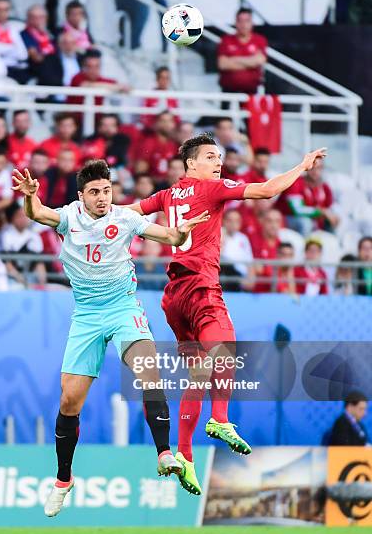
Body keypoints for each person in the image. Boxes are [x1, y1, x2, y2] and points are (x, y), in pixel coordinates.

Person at [130, 132, 326, 495]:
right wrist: (301, 166)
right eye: (209, 156)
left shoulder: (167, 195)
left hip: (173, 298)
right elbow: (267, 191)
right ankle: (219, 419)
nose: (217, 162)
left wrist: (86, 217)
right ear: (191, 163)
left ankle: (184, 454)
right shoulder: (213, 189)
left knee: (200, 372)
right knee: (227, 349)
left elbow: (128, 214)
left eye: (218, 157)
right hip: (202, 288)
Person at [11, 159, 208, 517]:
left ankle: (164, 453)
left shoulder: (126, 218)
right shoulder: (70, 217)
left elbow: (170, 237)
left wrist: (182, 232)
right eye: (94, 192)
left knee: (149, 371)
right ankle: (63, 479)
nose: (102, 198)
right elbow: (38, 213)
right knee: (70, 401)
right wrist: (30, 198)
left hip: (122, 308)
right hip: (85, 316)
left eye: (106, 190)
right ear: (81, 196)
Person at [277, 157, 339, 235]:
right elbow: (297, 210)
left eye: (319, 168)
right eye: (312, 167)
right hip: (285, 219)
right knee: (306, 223)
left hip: (313, 221)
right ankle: (305, 247)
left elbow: (329, 209)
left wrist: (334, 217)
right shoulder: (296, 182)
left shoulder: (324, 187)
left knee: (332, 221)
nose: (315, 171)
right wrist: (321, 212)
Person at [68, 50, 128, 126]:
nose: (93, 70)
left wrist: (122, 87)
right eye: (89, 66)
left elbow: (126, 87)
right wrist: (115, 87)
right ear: (83, 67)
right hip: (75, 122)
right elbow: (87, 85)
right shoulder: (77, 78)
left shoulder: (103, 80)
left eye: (97, 66)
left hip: (97, 121)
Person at [217, 7, 268, 96]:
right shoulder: (226, 40)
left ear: (252, 23)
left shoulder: (259, 40)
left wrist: (234, 59)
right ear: (236, 22)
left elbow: (260, 61)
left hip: (251, 90)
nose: (243, 24)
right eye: (240, 21)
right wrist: (250, 61)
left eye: (247, 21)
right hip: (228, 90)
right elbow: (223, 64)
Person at [0, 201, 46, 287]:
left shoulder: (34, 236)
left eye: (26, 216)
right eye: (20, 216)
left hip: (31, 276)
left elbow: (39, 263)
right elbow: (7, 264)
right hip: (11, 278)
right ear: (12, 218)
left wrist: (42, 284)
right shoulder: (6, 235)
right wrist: (22, 281)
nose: (23, 219)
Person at [132, 111, 178, 180]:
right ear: (156, 123)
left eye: (170, 121)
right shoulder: (148, 142)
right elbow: (140, 169)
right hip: (154, 184)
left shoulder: (174, 144)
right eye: (163, 121)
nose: (167, 124)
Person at [220, 208, 253, 292]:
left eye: (236, 221)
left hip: (241, 277)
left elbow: (250, 261)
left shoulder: (243, 238)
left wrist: (251, 280)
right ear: (224, 221)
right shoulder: (219, 234)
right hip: (225, 275)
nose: (233, 224)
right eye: (230, 220)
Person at [251, 209, 283, 293]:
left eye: (277, 221)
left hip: (279, 293)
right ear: (262, 222)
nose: (274, 225)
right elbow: (256, 269)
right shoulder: (252, 241)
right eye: (270, 221)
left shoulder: (282, 245)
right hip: (256, 294)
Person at [20, 5, 55, 81]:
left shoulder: (51, 34)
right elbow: (37, 58)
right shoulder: (24, 35)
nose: (37, 20)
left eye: (41, 17)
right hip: (37, 75)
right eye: (33, 17)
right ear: (28, 18)